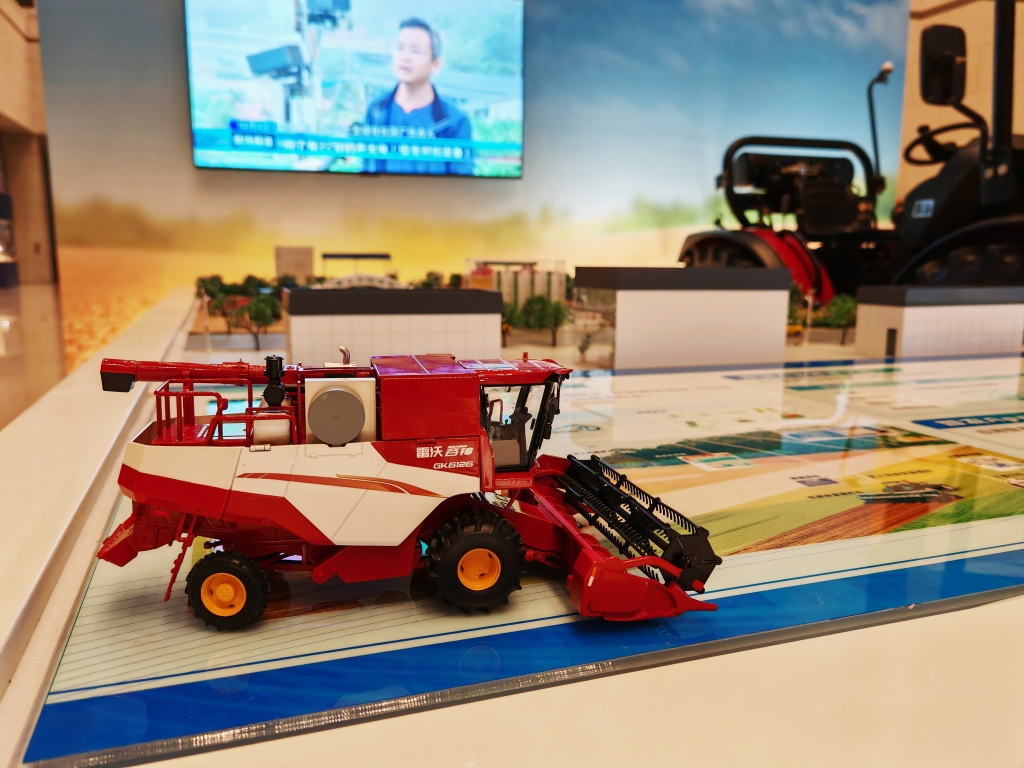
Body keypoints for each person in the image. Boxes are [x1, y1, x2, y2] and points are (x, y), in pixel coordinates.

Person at [361, 18, 473, 175]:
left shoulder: (455, 122)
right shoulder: (376, 110)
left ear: (436, 65)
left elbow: (462, 183)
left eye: (415, 51)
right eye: (400, 48)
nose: (405, 57)